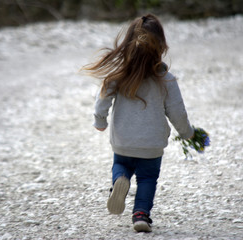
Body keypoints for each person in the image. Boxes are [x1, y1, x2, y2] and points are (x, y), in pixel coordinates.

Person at [82, 14, 194, 232]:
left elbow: (102, 98)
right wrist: (187, 133)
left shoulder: (119, 75)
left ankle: (120, 181)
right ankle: (141, 215)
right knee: (147, 178)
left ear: (128, 44)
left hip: (123, 140)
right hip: (151, 145)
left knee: (120, 164)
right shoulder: (167, 80)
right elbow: (177, 112)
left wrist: (100, 120)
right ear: (161, 46)